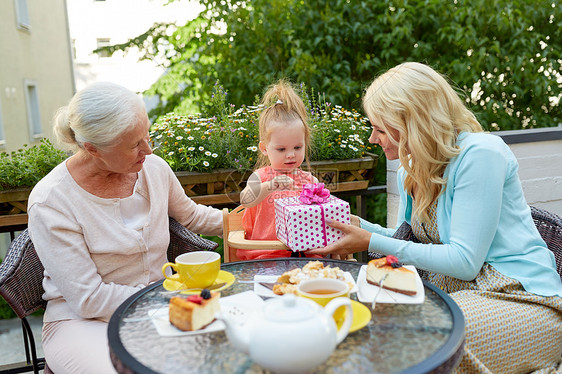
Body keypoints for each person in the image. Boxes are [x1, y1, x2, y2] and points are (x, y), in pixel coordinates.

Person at [308, 62, 562, 373]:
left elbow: (465, 261)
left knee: (424, 340)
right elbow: (407, 240)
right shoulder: (411, 171)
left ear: (413, 121)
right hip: (459, 295)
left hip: (523, 299)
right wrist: (357, 226)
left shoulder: (480, 155)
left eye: (381, 127)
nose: (373, 138)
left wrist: (370, 240)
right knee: (367, 325)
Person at [27, 82, 223, 373]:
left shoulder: (154, 169)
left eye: (147, 136)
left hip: (159, 306)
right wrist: (163, 298)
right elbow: (89, 299)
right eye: (134, 145)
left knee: (219, 355)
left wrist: (256, 219)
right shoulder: (51, 201)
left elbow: (193, 216)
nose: (149, 149)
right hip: (84, 323)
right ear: (93, 148)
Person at [238, 80, 321, 260]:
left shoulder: (309, 180)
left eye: (297, 148)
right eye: (281, 149)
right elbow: (245, 200)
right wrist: (270, 186)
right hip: (265, 255)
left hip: (304, 254)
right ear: (264, 148)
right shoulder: (260, 176)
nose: (290, 155)